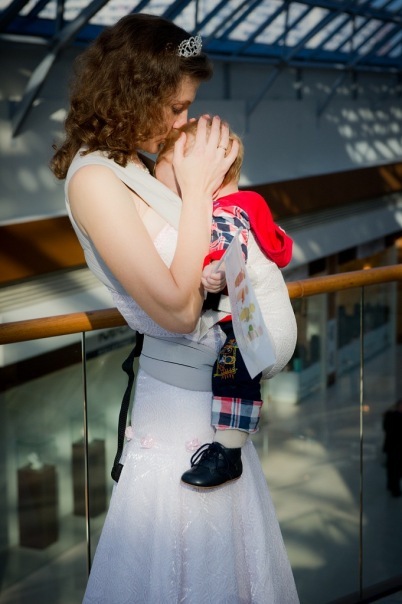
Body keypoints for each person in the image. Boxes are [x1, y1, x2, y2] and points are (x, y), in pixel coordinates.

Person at [50, 13, 300, 603]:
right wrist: (198, 193)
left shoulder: (134, 165)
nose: (183, 120)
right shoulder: (95, 179)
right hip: (175, 415)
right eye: (177, 106)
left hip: (207, 408)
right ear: (136, 93)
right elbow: (178, 311)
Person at [155, 119, 297, 489]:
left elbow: (226, 253)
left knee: (229, 371)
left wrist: (212, 273)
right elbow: (281, 249)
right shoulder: (250, 203)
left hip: (259, 334)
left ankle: (228, 453)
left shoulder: (223, 212)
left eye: (174, 175)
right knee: (230, 366)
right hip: (268, 324)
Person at [383, 399, 402, 497]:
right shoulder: (391, 416)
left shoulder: (389, 415)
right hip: (394, 447)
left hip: (393, 447)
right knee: (394, 469)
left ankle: (392, 486)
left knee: (393, 469)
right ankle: (394, 489)